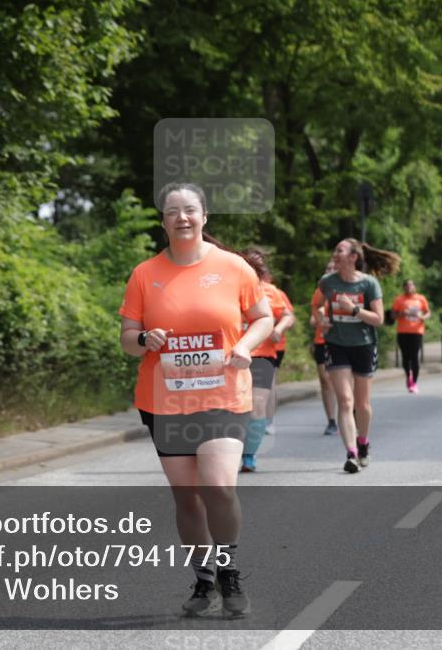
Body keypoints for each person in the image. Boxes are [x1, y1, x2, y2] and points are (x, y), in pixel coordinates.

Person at [119, 182, 272, 617]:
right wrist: (146, 338)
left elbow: (262, 318)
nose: (181, 218)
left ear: (204, 216)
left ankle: (229, 571)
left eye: (190, 210)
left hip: (223, 394)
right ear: (163, 221)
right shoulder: (145, 274)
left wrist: (245, 346)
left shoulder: (233, 267)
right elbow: (128, 341)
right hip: (165, 400)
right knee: (187, 498)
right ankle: (205, 582)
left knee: (218, 485)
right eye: (172, 211)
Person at [318, 238, 400, 473]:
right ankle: (351, 453)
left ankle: (363, 442)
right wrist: (323, 319)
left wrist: (353, 309)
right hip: (336, 345)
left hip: (363, 345)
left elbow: (379, 319)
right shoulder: (327, 283)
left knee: (362, 404)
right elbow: (318, 306)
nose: (335, 254)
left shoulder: (368, 284)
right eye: (335, 250)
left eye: (339, 251)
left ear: (353, 257)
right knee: (345, 401)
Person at [238, 247, 293, 472]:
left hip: (262, 357)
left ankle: (249, 455)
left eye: (256, 266)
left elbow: (288, 315)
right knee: (232, 409)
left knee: (258, 405)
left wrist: (279, 328)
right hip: (231, 357)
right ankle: (232, 449)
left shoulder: (271, 292)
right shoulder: (226, 289)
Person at [263, 271, 295, 436]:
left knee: (270, 382)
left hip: (274, 345)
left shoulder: (276, 292)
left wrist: (278, 329)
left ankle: (268, 420)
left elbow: (289, 316)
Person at [310, 261, 338, 435]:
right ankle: (331, 421)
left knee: (342, 381)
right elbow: (312, 321)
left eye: (332, 269)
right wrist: (320, 319)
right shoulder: (319, 293)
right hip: (322, 341)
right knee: (325, 381)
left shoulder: (345, 290)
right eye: (327, 269)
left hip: (341, 342)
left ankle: (349, 411)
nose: (329, 271)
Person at [391, 279, 431, 393]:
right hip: (403, 332)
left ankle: (414, 382)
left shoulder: (421, 299)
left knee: (414, 357)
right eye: (407, 286)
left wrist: (423, 317)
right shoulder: (399, 299)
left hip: (417, 331)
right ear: (404, 287)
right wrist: (402, 314)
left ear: (415, 287)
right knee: (405, 357)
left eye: (411, 285)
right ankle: (409, 376)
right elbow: (393, 315)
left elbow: (428, 312)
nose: (409, 287)